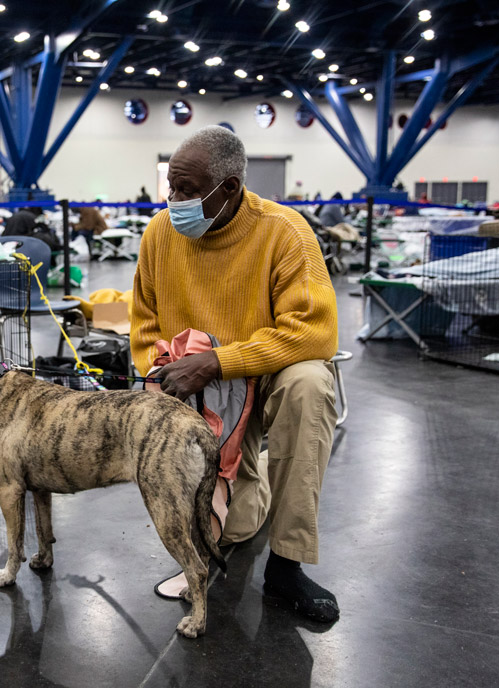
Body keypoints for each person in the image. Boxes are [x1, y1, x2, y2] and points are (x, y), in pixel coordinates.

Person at [131, 125, 340, 622]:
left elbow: (315, 331)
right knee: (236, 528)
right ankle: (255, 484)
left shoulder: (284, 232)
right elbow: (144, 327)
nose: (174, 200)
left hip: (266, 376)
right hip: (199, 383)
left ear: (230, 188)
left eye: (187, 190)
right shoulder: (160, 234)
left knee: (309, 385)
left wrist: (221, 361)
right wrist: (160, 371)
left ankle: (287, 567)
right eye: (171, 188)